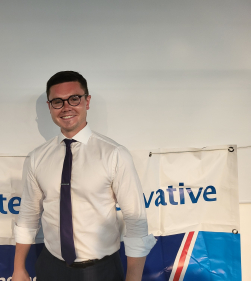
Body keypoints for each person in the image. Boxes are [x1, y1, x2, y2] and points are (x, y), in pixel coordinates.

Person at [12, 71, 156, 281]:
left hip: (100, 271)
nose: (66, 107)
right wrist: (18, 268)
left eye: (74, 98)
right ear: (50, 106)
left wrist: (133, 278)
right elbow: (28, 214)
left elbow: (135, 220)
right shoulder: (37, 158)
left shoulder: (114, 154)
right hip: (50, 266)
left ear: (87, 101)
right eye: (57, 102)